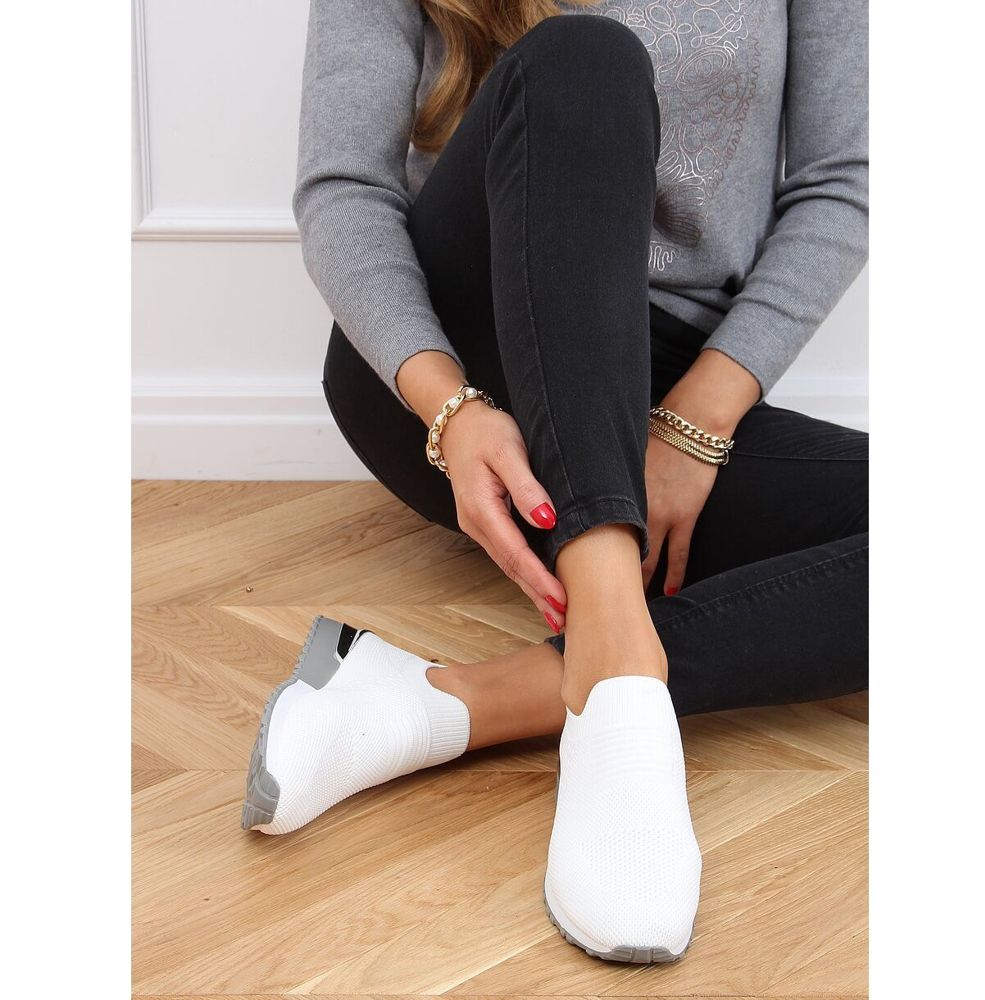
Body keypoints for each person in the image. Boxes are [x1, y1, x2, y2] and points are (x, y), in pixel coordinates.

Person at [242, 0, 869, 965]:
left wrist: (700, 418)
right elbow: (344, 188)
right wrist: (450, 409)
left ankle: (448, 701)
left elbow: (841, 182)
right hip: (456, 369)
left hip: (669, 379)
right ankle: (616, 675)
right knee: (584, 57)